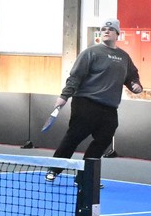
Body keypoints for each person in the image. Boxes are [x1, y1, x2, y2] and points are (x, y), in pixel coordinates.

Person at [46, 19, 145, 180]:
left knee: (104, 139)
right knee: (74, 138)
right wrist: (64, 96)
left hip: (109, 108)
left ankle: (85, 177)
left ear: (117, 34)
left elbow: (132, 76)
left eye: (110, 29)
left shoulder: (124, 57)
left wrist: (135, 85)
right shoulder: (90, 52)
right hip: (85, 103)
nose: (106, 31)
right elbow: (75, 77)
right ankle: (54, 170)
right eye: (104, 29)